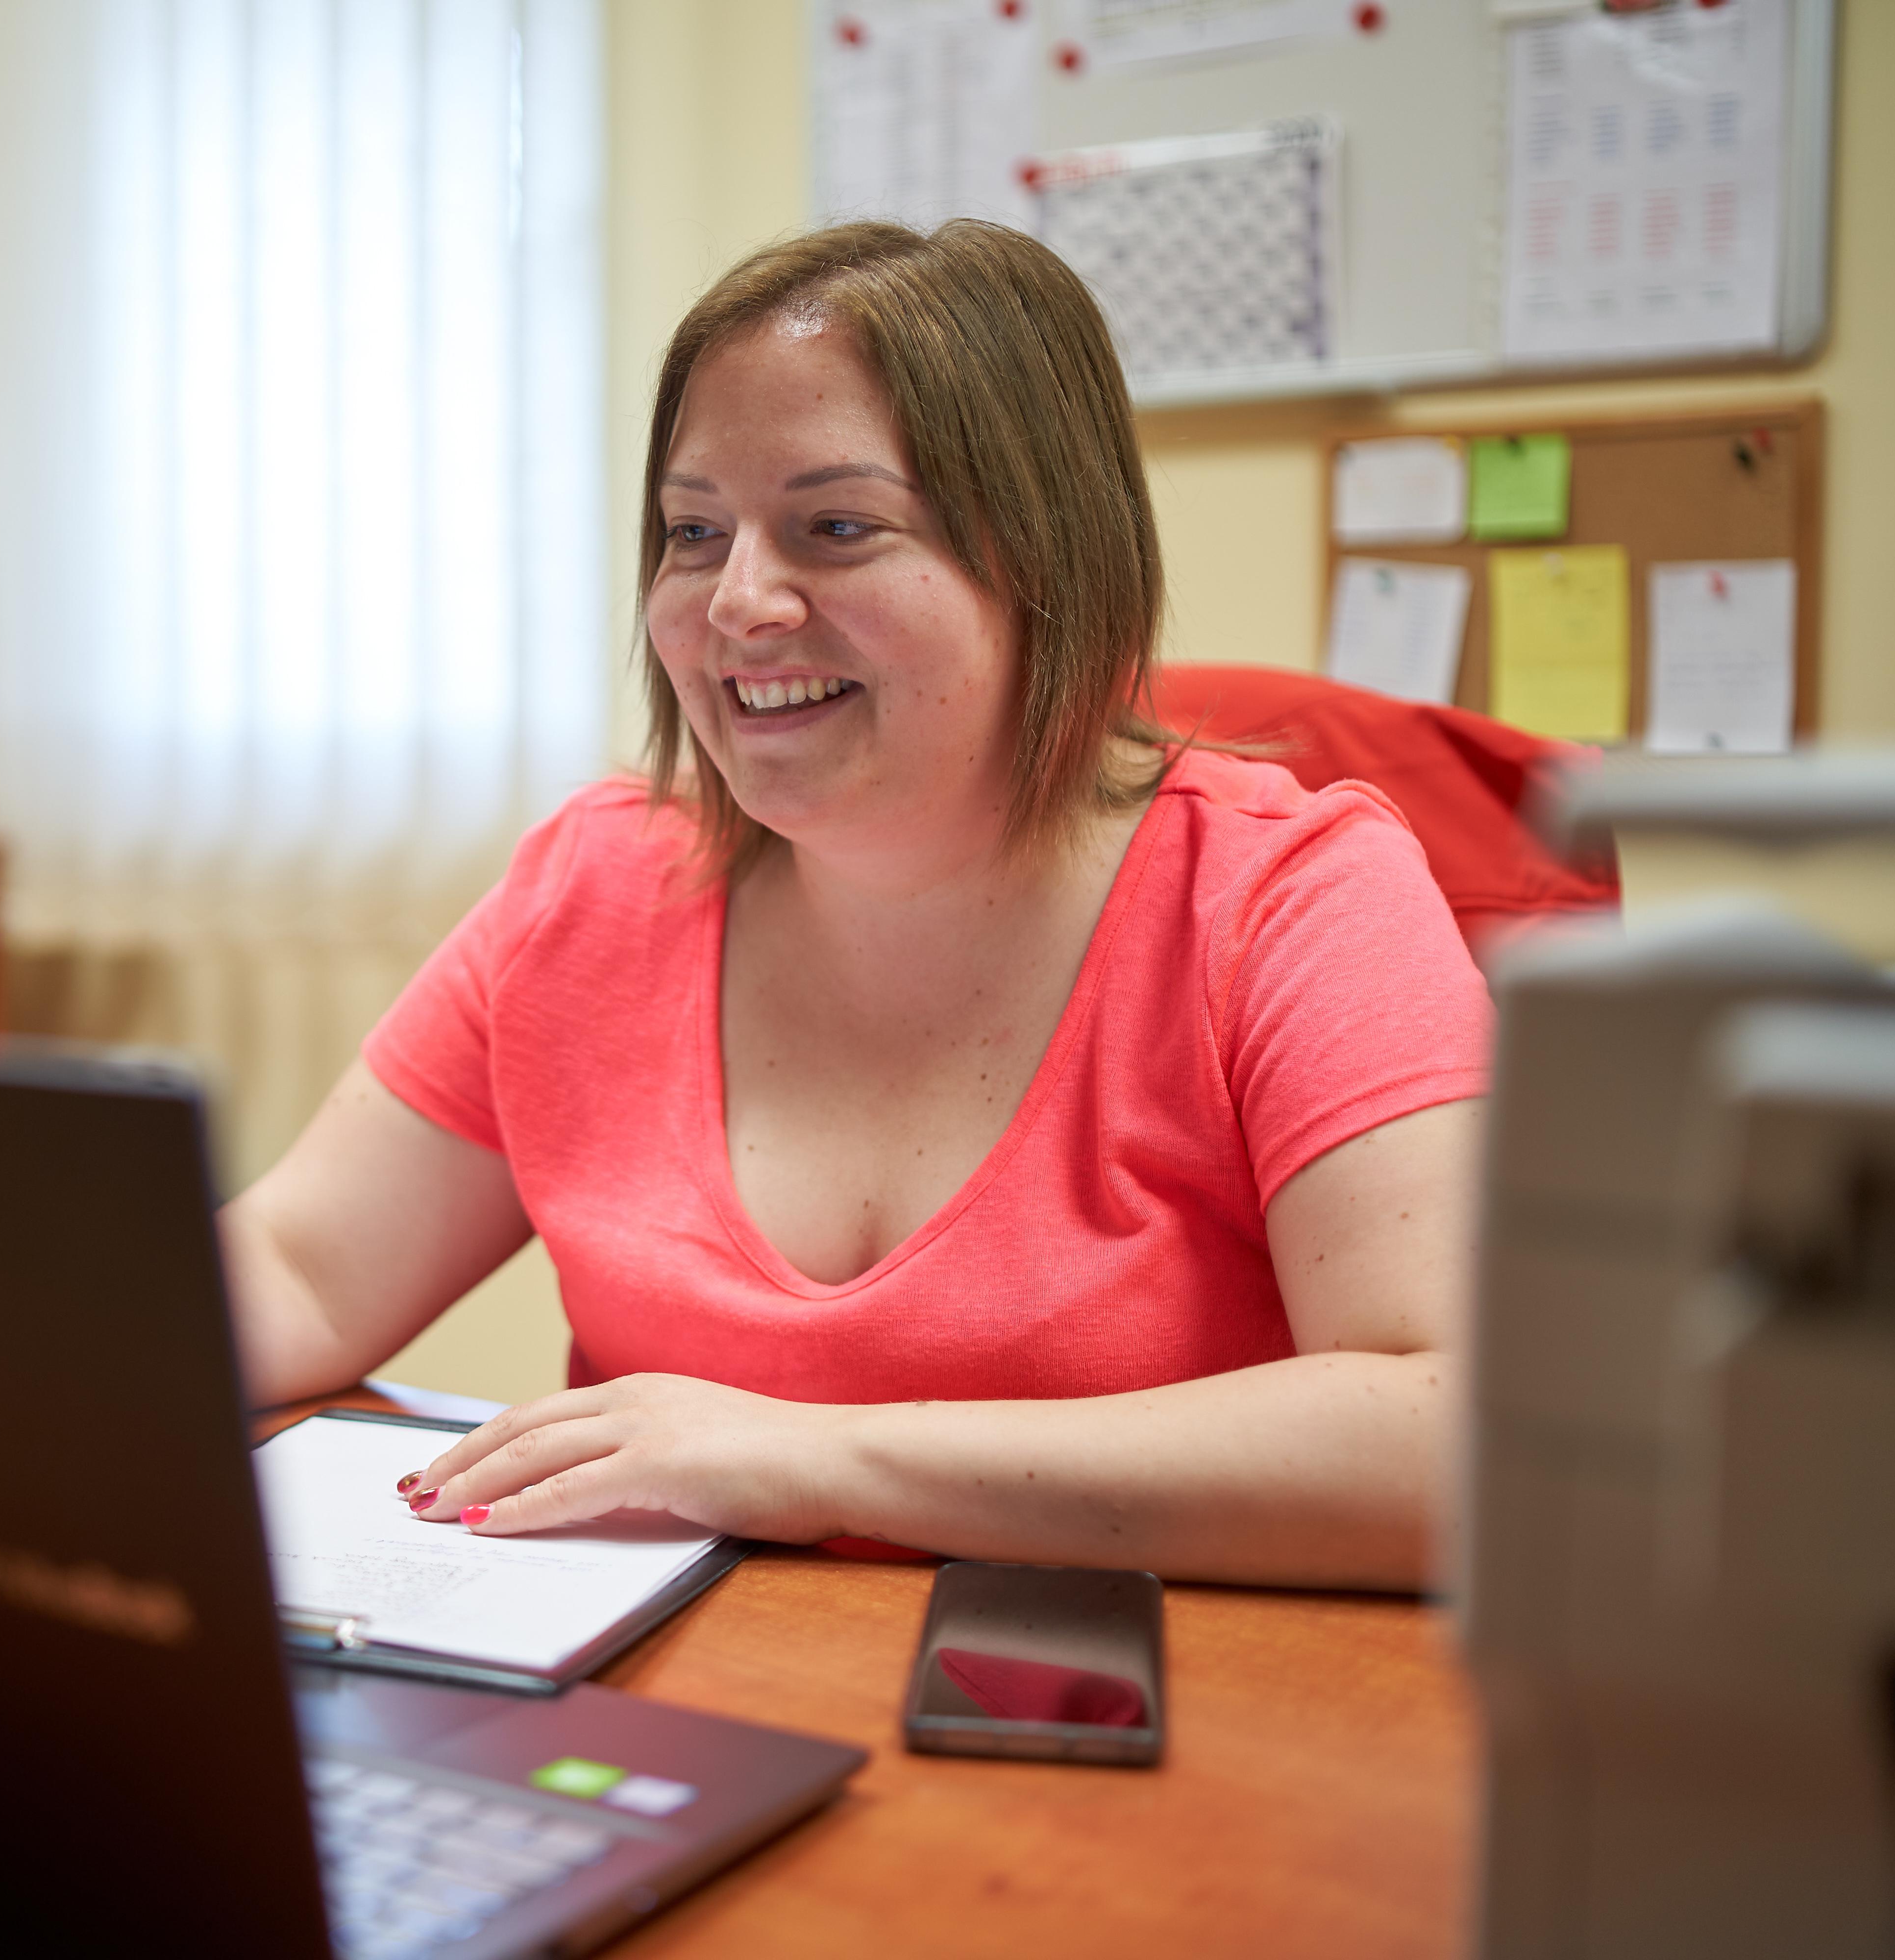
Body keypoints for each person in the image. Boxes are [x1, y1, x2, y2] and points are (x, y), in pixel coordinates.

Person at [218, 221, 1491, 1591]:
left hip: (1129, 1706)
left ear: (1052, 563)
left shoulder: (1294, 903)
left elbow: (1462, 1441)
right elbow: (301, 1270)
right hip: (674, 1686)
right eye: (694, 532)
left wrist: (813, 1459)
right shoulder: (591, 889)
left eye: (836, 528)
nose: (739, 603)